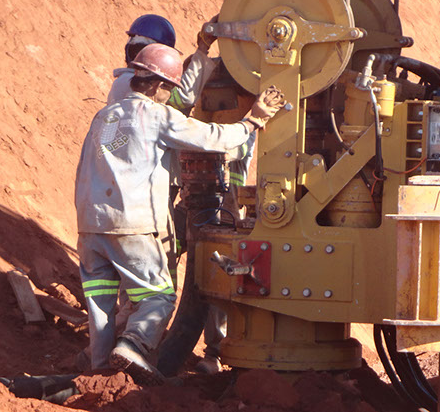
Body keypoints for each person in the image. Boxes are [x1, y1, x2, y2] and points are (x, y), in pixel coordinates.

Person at [75, 42, 284, 385]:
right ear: (158, 85)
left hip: (90, 226)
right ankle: (133, 344)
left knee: (100, 303)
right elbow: (213, 137)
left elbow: (88, 166)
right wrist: (253, 120)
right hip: (133, 224)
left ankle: (98, 372)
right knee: (158, 297)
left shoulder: (104, 116)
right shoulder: (156, 115)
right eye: (169, 88)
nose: (170, 95)